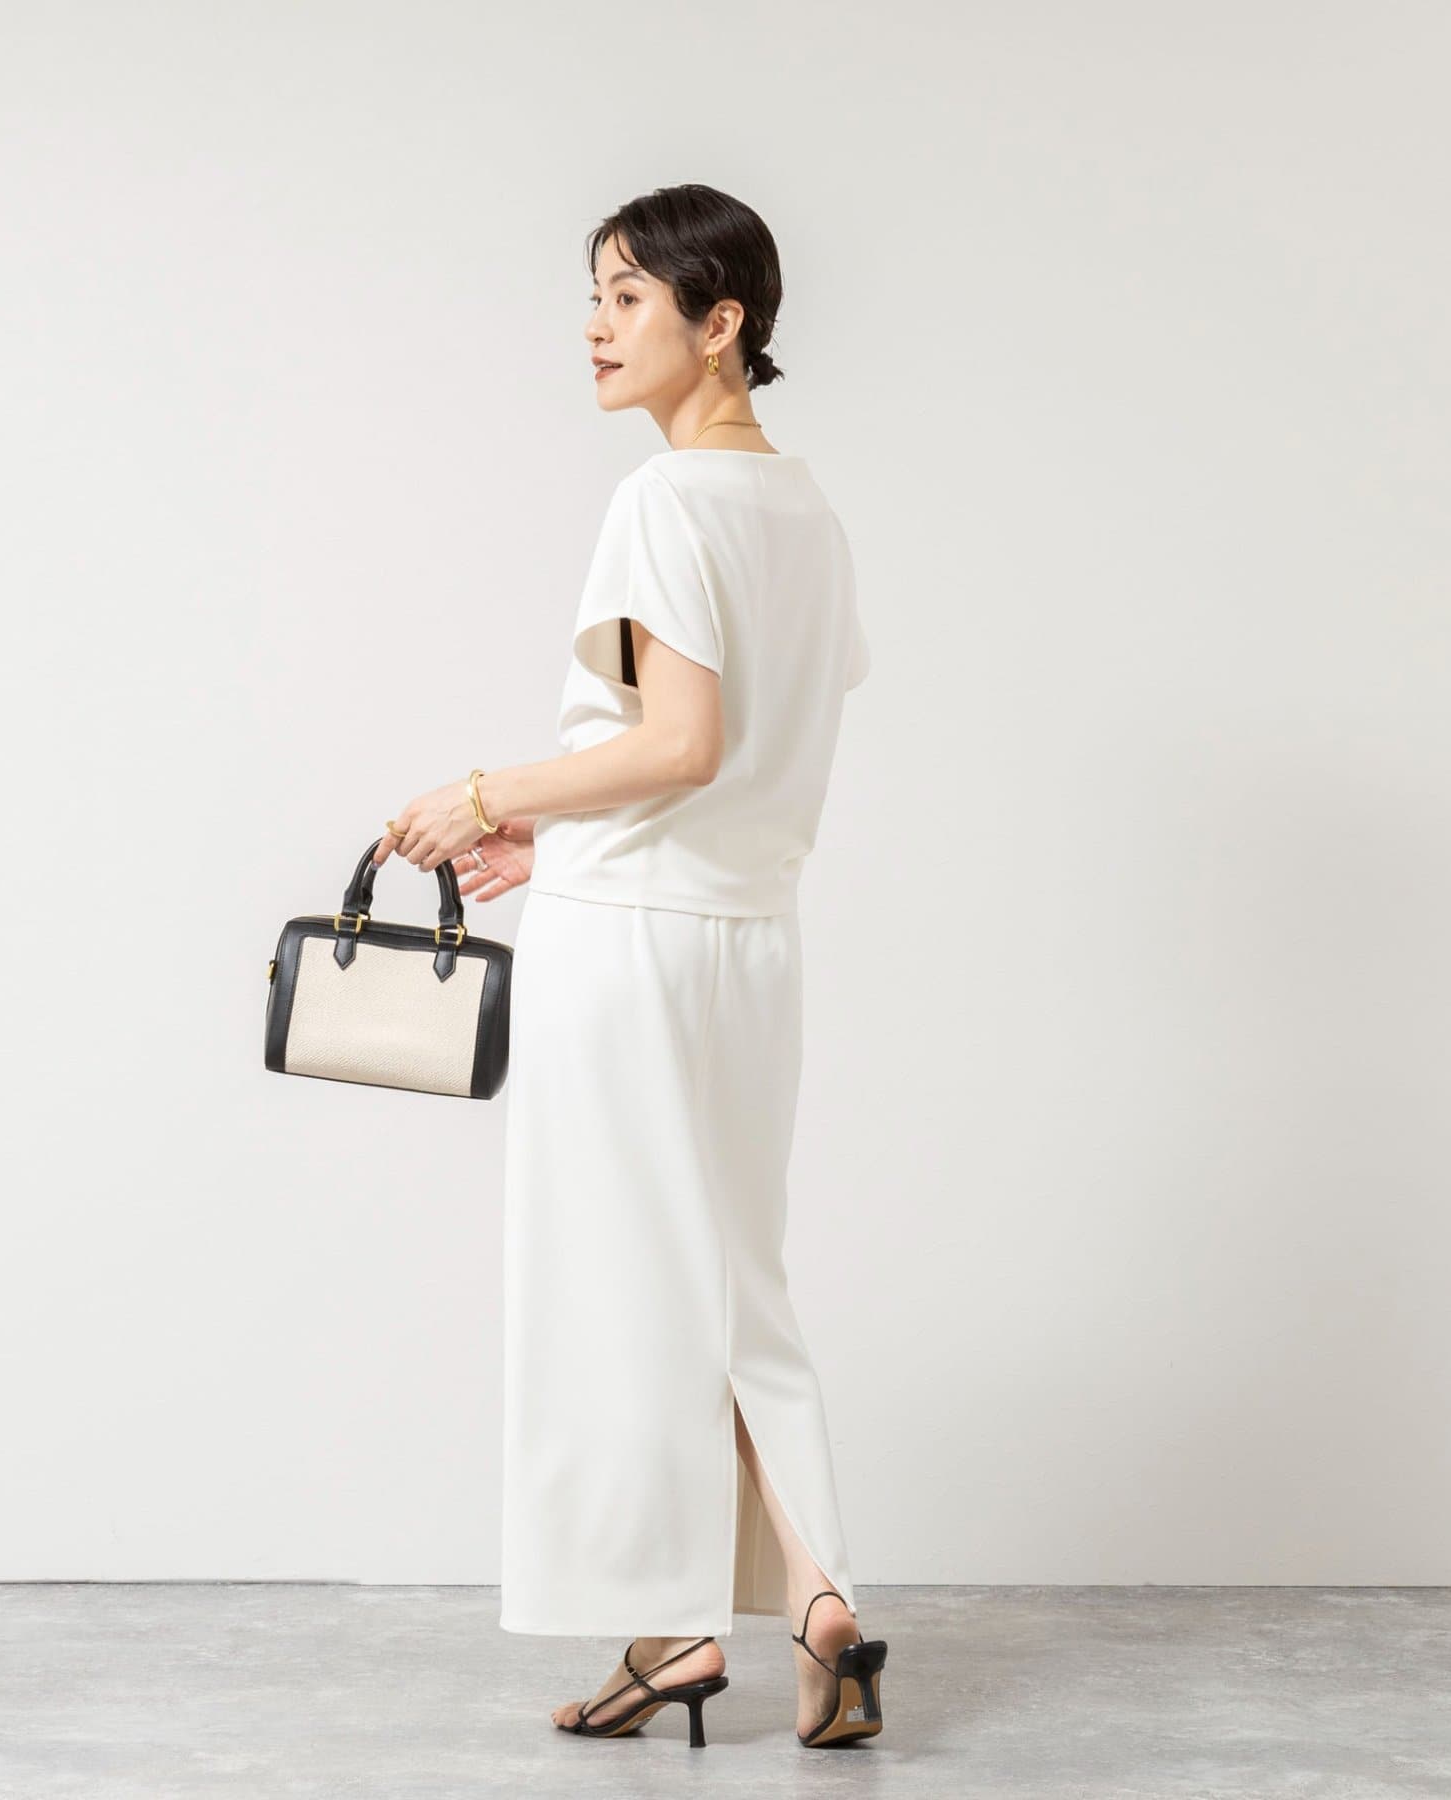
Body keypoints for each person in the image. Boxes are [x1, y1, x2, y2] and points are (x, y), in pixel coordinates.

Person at [375, 182, 886, 1751]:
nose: (594, 328)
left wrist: (486, 797)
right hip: (750, 944)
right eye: (592, 296)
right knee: (735, 1283)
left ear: (718, 323)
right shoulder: (805, 512)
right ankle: (815, 1604)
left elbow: (681, 741)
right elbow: (746, 765)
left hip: (631, 962)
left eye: (626, 297)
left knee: (621, 1290)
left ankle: (677, 1626)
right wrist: (569, 848)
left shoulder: (663, 503)